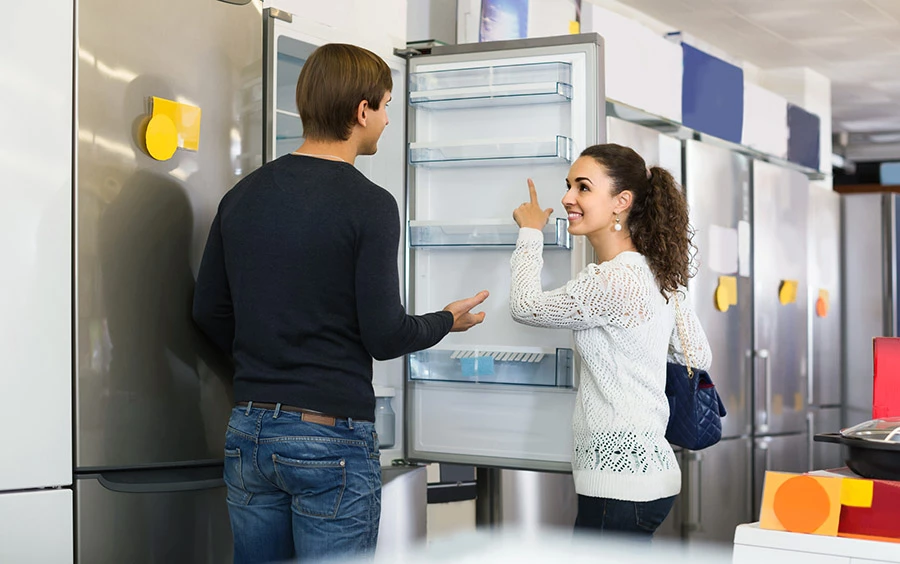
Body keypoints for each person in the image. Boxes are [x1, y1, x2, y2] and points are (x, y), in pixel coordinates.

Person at [193, 43, 489, 563]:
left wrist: (264, 365)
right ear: (361, 111)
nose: (387, 119)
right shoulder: (370, 204)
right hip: (327, 439)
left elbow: (208, 312)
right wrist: (446, 320)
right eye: (386, 106)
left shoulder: (243, 195)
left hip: (249, 431)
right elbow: (385, 334)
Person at [508, 143, 712, 538]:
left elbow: (525, 306)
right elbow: (698, 354)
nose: (568, 198)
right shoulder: (653, 273)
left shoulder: (613, 279)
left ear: (622, 201)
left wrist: (531, 234)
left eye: (583, 187)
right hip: (651, 476)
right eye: (569, 186)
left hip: (619, 483)